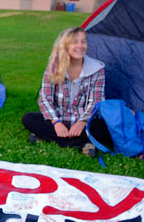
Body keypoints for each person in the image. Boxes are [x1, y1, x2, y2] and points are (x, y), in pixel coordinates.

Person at [21, 26, 108, 156]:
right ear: (65, 45)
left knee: (103, 129)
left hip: (83, 120)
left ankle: (47, 138)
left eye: (83, 41)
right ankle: (80, 144)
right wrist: (56, 123)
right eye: (75, 42)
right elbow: (45, 98)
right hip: (59, 117)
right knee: (28, 119)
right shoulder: (54, 67)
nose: (80, 46)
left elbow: (96, 101)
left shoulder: (97, 69)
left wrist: (82, 122)